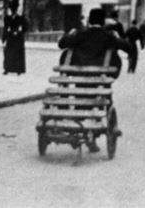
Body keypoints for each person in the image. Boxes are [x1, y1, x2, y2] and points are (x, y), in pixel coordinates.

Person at [57, 8, 135, 152]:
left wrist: (70, 34)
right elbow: (129, 48)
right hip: (100, 81)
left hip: (80, 78)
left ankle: (78, 130)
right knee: (103, 100)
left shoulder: (80, 34)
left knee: (81, 102)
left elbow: (62, 44)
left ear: (89, 21)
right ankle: (93, 135)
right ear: (102, 21)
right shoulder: (108, 36)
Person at [2, 0, 28, 75]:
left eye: (14, 8)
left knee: (17, 54)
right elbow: (5, 28)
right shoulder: (7, 18)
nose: (13, 10)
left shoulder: (20, 18)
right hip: (10, 37)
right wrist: (4, 38)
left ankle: (18, 69)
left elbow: (25, 27)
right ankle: (7, 68)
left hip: (18, 38)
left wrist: (20, 31)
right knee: (8, 53)